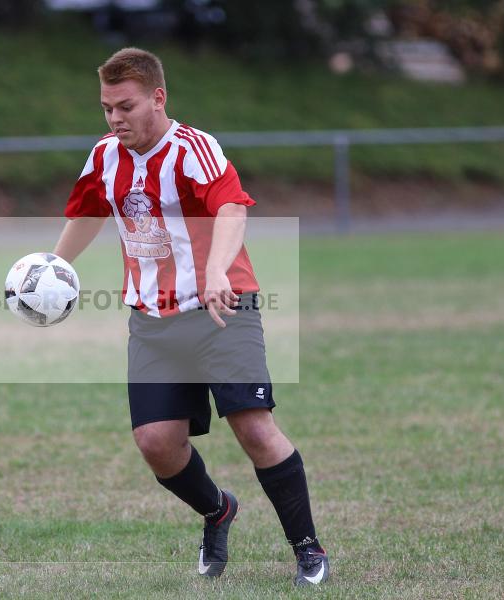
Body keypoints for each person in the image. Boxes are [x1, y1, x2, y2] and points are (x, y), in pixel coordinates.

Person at [52, 48, 328, 586]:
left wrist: (218, 270)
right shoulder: (104, 156)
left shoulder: (194, 149)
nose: (115, 118)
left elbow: (231, 205)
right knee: (156, 443)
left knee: (253, 428)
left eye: (125, 106)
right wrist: (53, 269)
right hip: (152, 320)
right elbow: (87, 211)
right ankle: (218, 510)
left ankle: (308, 550)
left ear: (158, 97)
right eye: (107, 107)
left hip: (222, 307)